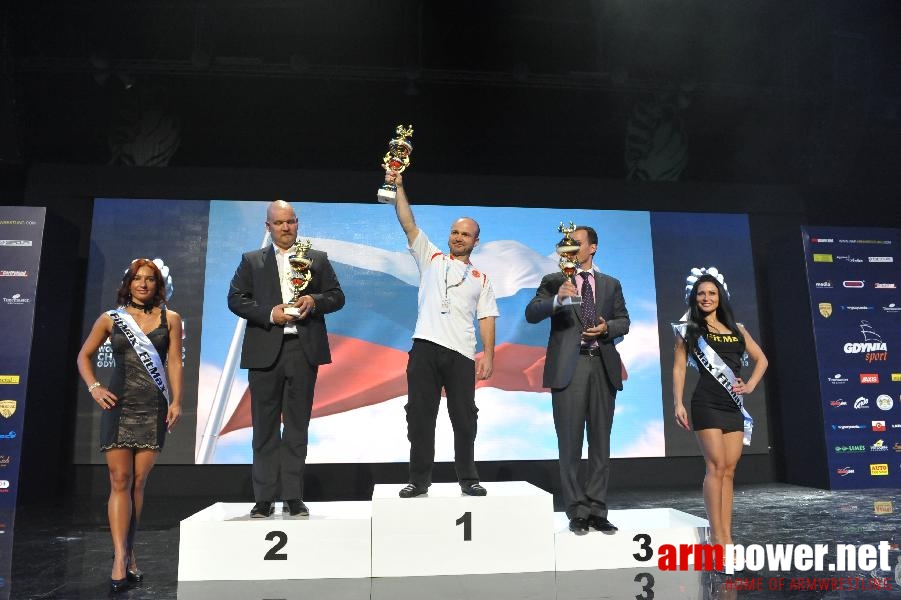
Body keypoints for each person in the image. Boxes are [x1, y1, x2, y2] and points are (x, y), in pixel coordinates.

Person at [227, 200, 345, 518]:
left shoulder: (315, 259)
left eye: (290, 221)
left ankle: (293, 495)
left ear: (297, 223)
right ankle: (264, 498)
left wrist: (314, 300)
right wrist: (269, 313)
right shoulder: (251, 261)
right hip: (265, 351)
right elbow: (236, 299)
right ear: (268, 227)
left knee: (296, 426)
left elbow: (337, 296)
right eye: (278, 223)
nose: (285, 228)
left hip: (302, 350)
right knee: (264, 428)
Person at [386, 168, 499, 498]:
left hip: (462, 354)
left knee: (465, 421)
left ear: (476, 241)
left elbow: (487, 317)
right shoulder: (431, 257)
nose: (458, 237)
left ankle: (469, 478)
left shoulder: (481, 278)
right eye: (454, 232)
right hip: (424, 349)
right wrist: (399, 185)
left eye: (465, 234)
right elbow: (407, 222)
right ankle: (419, 481)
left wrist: (488, 355)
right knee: (420, 419)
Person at [76, 258, 183, 593]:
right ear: (129, 283)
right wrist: (95, 387)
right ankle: (121, 558)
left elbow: (176, 361)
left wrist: (177, 401)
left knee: (137, 482)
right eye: (138, 278)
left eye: (150, 279)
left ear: (157, 285)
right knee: (119, 479)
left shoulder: (172, 319)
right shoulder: (111, 318)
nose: (143, 284)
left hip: (153, 407)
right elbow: (84, 356)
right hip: (119, 405)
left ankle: (129, 549)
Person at [525, 226, 629, 535]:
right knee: (569, 443)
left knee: (600, 443)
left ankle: (597, 508)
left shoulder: (611, 284)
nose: (568, 249)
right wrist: (557, 300)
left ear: (592, 248)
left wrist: (606, 328)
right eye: (565, 245)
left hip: (602, 366)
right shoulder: (554, 281)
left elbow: (624, 321)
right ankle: (576, 510)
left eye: (576, 243)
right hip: (569, 368)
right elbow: (532, 312)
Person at [672, 272, 767, 553]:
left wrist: (749, 385)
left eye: (712, 294)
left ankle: (728, 538)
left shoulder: (737, 328)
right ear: (695, 297)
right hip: (706, 403)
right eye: (701, 294)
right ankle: (717, 542)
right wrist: (677, 403)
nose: (706, 298)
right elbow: (678, 367)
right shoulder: (688, 329)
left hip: (732, 406)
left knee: (729, 470)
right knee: (715, 467)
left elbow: (761, 359)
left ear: (720, 297)